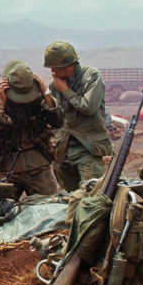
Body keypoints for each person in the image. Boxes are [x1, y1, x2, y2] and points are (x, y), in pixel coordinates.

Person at [0, 59, 64, 203]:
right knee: (0, 213)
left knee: (49, 211)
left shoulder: (39, 96)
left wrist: (47, 95)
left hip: (38, 165)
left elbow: (58, 122)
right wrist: (1, 104)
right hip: (7, 165)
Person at [42, 41, 112, 192]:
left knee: (92, 197)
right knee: (72, 197)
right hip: (63, 151)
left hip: (87, 148)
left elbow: (89, 107)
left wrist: (66, 90)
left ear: (68, 65)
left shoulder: (91, 76)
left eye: (55, 68)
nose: (52, 72)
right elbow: (56, 117)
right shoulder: (55, 85)